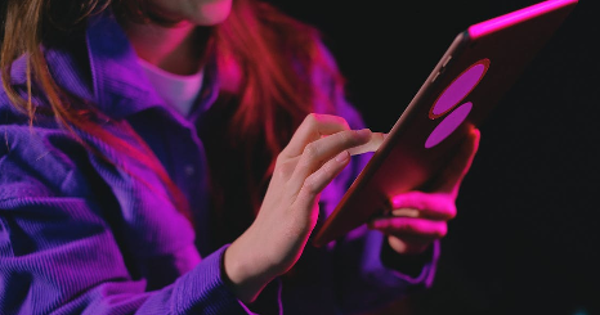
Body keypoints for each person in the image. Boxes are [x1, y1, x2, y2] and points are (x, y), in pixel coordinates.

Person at [0, 0, 479, 314]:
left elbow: (331, 287)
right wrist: (243, 266)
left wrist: (397, 240)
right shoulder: (26, 127)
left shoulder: (291, 56)